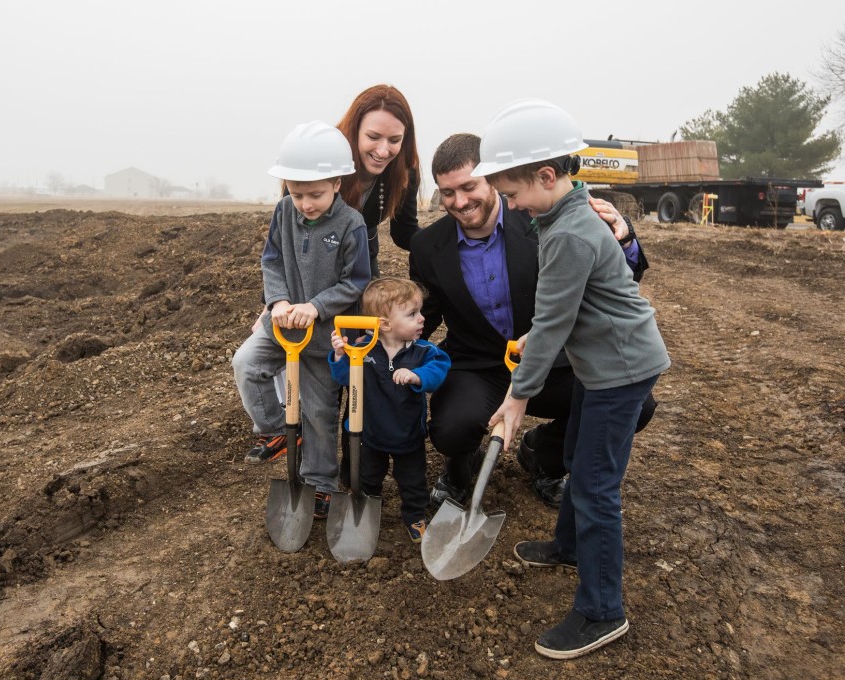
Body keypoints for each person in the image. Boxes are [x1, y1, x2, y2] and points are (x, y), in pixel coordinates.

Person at [477, 99, 670, 659]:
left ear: (546, 175)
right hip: (601, 363)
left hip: (620, 370)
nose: (508, 205)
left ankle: (602, 611)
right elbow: (555, 322)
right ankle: (567, 546)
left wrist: (517, 399)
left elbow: (552, 323)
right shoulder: (562, 213)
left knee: (594, 484)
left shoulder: (569, 235)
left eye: (510, 194)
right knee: (580, 458)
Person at [410, 133, 656, 509]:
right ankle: (461, 468)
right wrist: (390, 345)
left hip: (551, 363)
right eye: (447, 193)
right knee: (452, 427)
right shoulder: (427, 247)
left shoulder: (543, 217)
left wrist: (624, 241)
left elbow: (624, 277)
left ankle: (543, 455)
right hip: (479, 368)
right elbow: (425, 317)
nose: (459, 202)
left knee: (635, 405)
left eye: (468, 187)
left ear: (493, 179)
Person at [232, 121, 371, 518]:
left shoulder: (350, 225)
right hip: (283, 325)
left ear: (337, 184)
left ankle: (320, 484)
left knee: (320, 413)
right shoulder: (283, 213)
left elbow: (356, 281)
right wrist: (277, 301)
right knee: (246, 364)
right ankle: (278, 430)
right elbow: (271, 260)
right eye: (297, 194)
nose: (306, 204)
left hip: (324, 335)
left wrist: (316, 307)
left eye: (315, 194)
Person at [328, 277, 451, 543]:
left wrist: (417, 376)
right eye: (412, 314)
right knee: (368, 476)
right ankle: (368, 510)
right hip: (369, 433)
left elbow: (440, 370)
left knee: (412, 480)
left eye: (420, 311)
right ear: (383, 324)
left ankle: (415, 514)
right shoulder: (362, 349)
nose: (421, 319)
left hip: (407, 434)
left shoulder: (423, 352)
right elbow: (345, 378)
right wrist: (340, 355)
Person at [335, 84, 422, 277]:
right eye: (373, 137)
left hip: (363, 262)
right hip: (313, 266)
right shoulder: (320, 155)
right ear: (354, 129)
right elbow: (288, 232)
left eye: (394, 140)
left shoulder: (406, 172)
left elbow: (404, 233)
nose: (383, 151)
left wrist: (448, 240)